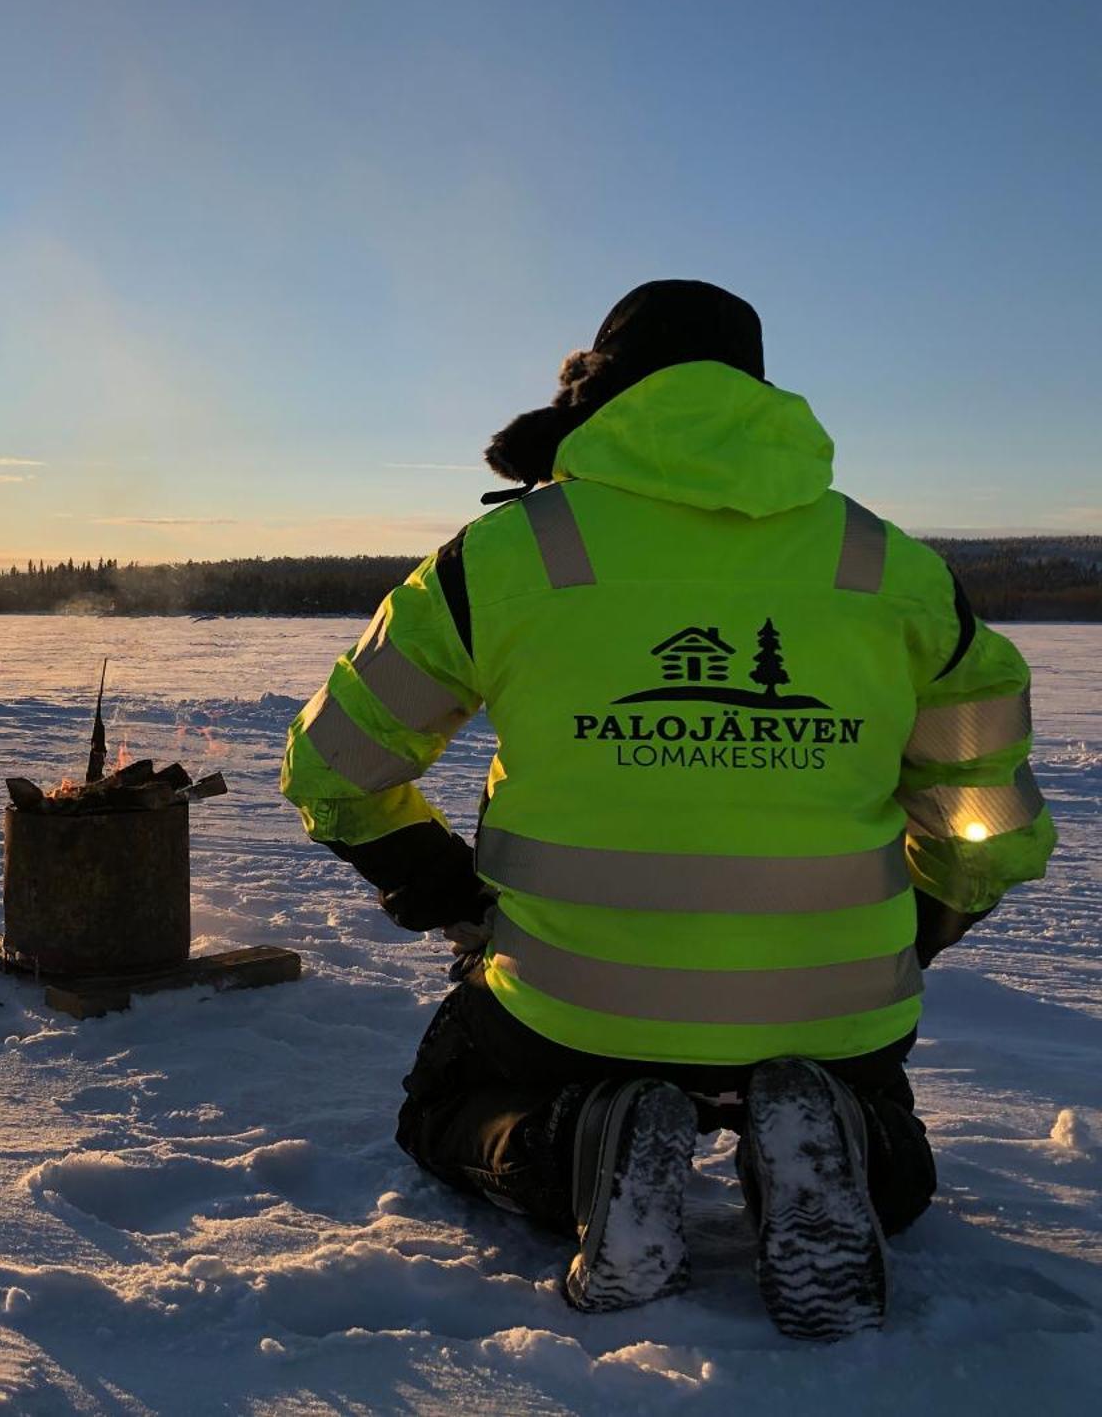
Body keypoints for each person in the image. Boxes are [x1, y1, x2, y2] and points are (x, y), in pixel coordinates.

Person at [280, 280, 1056, 1339]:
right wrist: (929, 916)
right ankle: (842, 1149)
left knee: (444, 1112)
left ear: (596, 390)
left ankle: (579, 1151)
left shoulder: (509, 556)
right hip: (832, 1008)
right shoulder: (885, 567)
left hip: (569, 1000)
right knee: (884, 1141)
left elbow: (334, 767)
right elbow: (987, 815)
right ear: (757, 391)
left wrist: (429, 875)